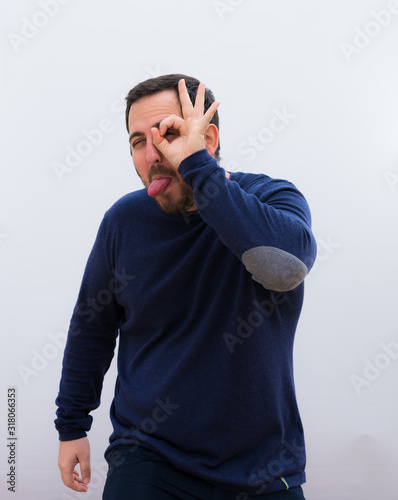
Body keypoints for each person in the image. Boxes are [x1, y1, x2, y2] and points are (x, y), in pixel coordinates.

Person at [55, 74, 317, 499]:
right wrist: (71, 426)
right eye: (138, 142)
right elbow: (92, 328)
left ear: (207, 138)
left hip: (264, 468)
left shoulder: (271, 198)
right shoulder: (124, 221)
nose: (152, 153)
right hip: (148, 457)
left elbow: (285, 269)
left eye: (170, 134)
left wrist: (198, 169)